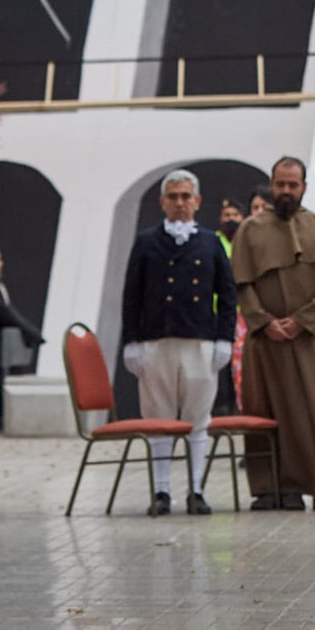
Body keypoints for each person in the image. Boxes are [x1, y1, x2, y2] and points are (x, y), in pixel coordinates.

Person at [230, 157, 315, 509]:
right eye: (280, 184)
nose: (285, 191)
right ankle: (267, 489)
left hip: (306, 339)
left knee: (304, 414)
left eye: (292, 185)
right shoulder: (250, 229)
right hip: (264, 340)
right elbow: (241, 282)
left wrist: (303, 319)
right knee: (262, 411)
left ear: (303, 187)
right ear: (271, 183)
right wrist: (264, 322)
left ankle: (302, 485)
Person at [121, 170, 238, 515]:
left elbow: (227, 294)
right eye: (173, 197)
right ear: (162, 202)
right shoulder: (145, 241)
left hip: (200, 343)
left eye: (186, 196)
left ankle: (196, 490)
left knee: (198, 417)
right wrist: (131, 341)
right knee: (158, 416)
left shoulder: (210, 241)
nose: (180, 203)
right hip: (156, 342)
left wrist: (224, 339)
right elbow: (131, 295)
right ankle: (160, 491)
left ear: (197, 201)